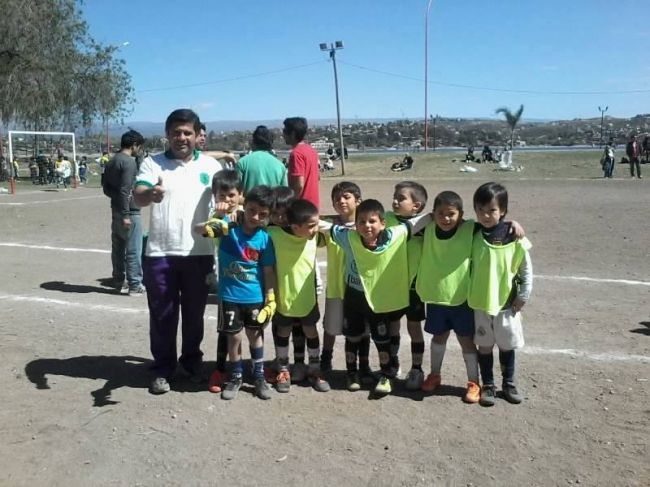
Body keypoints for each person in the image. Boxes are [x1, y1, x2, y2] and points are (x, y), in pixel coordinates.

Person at [134, 108, 222, 395]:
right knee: (162, 314)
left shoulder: (211, 168)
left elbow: (230, 201)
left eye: (187, 132)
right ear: (167, 135)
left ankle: (192, 362)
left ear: (198, 136)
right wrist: (151, 194)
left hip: (200, 253)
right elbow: (139, 194)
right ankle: (162, 368)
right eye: (176, 132)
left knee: (194, 314)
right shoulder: (152, 163)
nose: (181, 137)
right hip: (161, 252)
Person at [326, 199, 431, 395]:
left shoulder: (394, 235)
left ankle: (386, 375)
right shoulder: (348, 237)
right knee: (353, 337)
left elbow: (415, 223)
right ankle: (352, 373)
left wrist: (435, 215)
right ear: (355, 225)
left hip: (379, 300)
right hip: (354, 298)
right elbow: (325, 227)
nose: (367, 226)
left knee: (382, 339)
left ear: (383, 223)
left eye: (372, 221)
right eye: (362, 222)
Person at [198, 173, 276, 401]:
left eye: (263, 214)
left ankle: (259, 375)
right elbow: (209, 229)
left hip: (254, 296)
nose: (256, 216)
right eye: (252, 210)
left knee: (255, 335)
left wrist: (270, 298)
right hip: (229, 296)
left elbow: (268, 271)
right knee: (233, 338)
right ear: (245, 204)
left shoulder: (264, 238)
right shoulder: (228, 227)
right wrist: (220, 213)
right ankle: (236, 375)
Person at [469, 182, 533, 407]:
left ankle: (509, 382)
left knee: (507, 346)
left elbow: (526, 268)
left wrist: (523, 295)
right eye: (481, 210)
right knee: (484, 346)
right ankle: (488, 385)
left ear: (503, 211)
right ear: (475, 210)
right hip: (480, 303)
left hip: (507, 304)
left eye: (492, 210)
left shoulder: (513, 234)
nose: (486, 215)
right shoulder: (472, 232)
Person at [415, 191, 481, 403]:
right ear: (433, 214)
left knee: (466, 342)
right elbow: (406, 225)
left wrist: (512, 225)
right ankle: (435, 374)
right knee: (438, 338)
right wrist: (426, 218)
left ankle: (474, 382)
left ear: (461, 214)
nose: (445, 218)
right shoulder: (427, 228)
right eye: (440, 213)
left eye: (451, 214)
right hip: (436, 296)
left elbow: (495, 228)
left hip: (460, 298)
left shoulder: (470, 229)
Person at [266, 199, 330, 393]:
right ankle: (283, 369)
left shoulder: (314, 237)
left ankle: (314, 369)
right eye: (310, 226)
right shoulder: (274, 235)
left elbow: (332, 229)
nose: (315, 229)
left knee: (311, 330)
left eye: (316, 225)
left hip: (307, 297)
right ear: (294, 226)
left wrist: (318, 224)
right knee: (283, 332)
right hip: (283, 296)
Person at [320, 182, 374, 389]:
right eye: (337, 199)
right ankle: (326, 360)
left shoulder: (367, 225)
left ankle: (364, 365)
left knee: (363, 329)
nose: (341, 201)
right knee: (331, 327)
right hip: (336, 287)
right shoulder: (328, 226)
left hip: (361, 288)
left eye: (346, 197)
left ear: (358, 201)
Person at [385, 181, 428, 389]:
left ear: (416, 205)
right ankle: (393, 362)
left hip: (414, 287)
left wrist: (511, 225)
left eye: (401, 198)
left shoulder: (428, 224)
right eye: (395, 196)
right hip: (392, 285)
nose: (395, 200)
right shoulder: (386, 219)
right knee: (393, 325)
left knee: (414, 327)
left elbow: (459, 224)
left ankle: (417, 368)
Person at [103, 130, 146, 295]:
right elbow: (125, 189)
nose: (139, 150)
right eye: (139, 147)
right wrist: (126, 213)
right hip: (130, 212)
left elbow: (106, 188)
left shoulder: (111, 161)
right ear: (134, 145)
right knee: (133, 249)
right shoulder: (128, 162)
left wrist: (119, 207)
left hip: (115, 210)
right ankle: (135, 284)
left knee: (118, 249)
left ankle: (118, 280)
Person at [236, 125, 287, 195]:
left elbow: (236, 193)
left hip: (249, 204)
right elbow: (284, 194)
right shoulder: (280, 166)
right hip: (272, 205)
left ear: (253, 142)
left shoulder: (242, 163)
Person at [283, 117, 320, 208]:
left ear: (292, 133)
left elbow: (299, 184)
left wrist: (291, 202)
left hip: (301, 206)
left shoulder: (296, 153)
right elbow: (318, 177)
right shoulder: (312, 150)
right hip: (313, 204)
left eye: (284, 131)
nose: (283, 135)